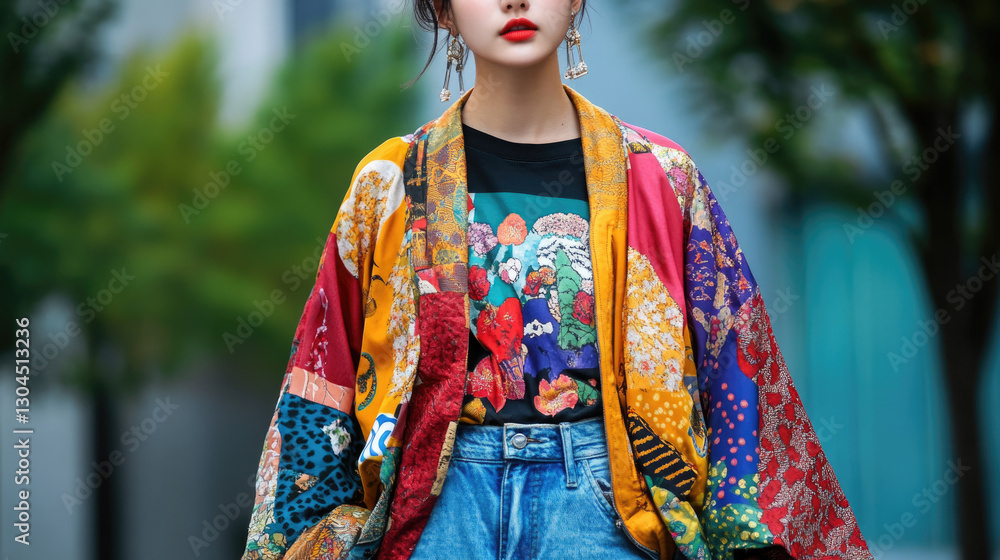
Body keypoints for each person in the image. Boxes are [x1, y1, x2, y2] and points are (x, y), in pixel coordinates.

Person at [241, 1, 874, 559]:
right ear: (443, 10)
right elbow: (322, 377)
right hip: (437, 512)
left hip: (608, 506)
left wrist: (746, 528)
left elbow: (735, 368)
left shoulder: (660, 179)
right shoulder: (389, 184)